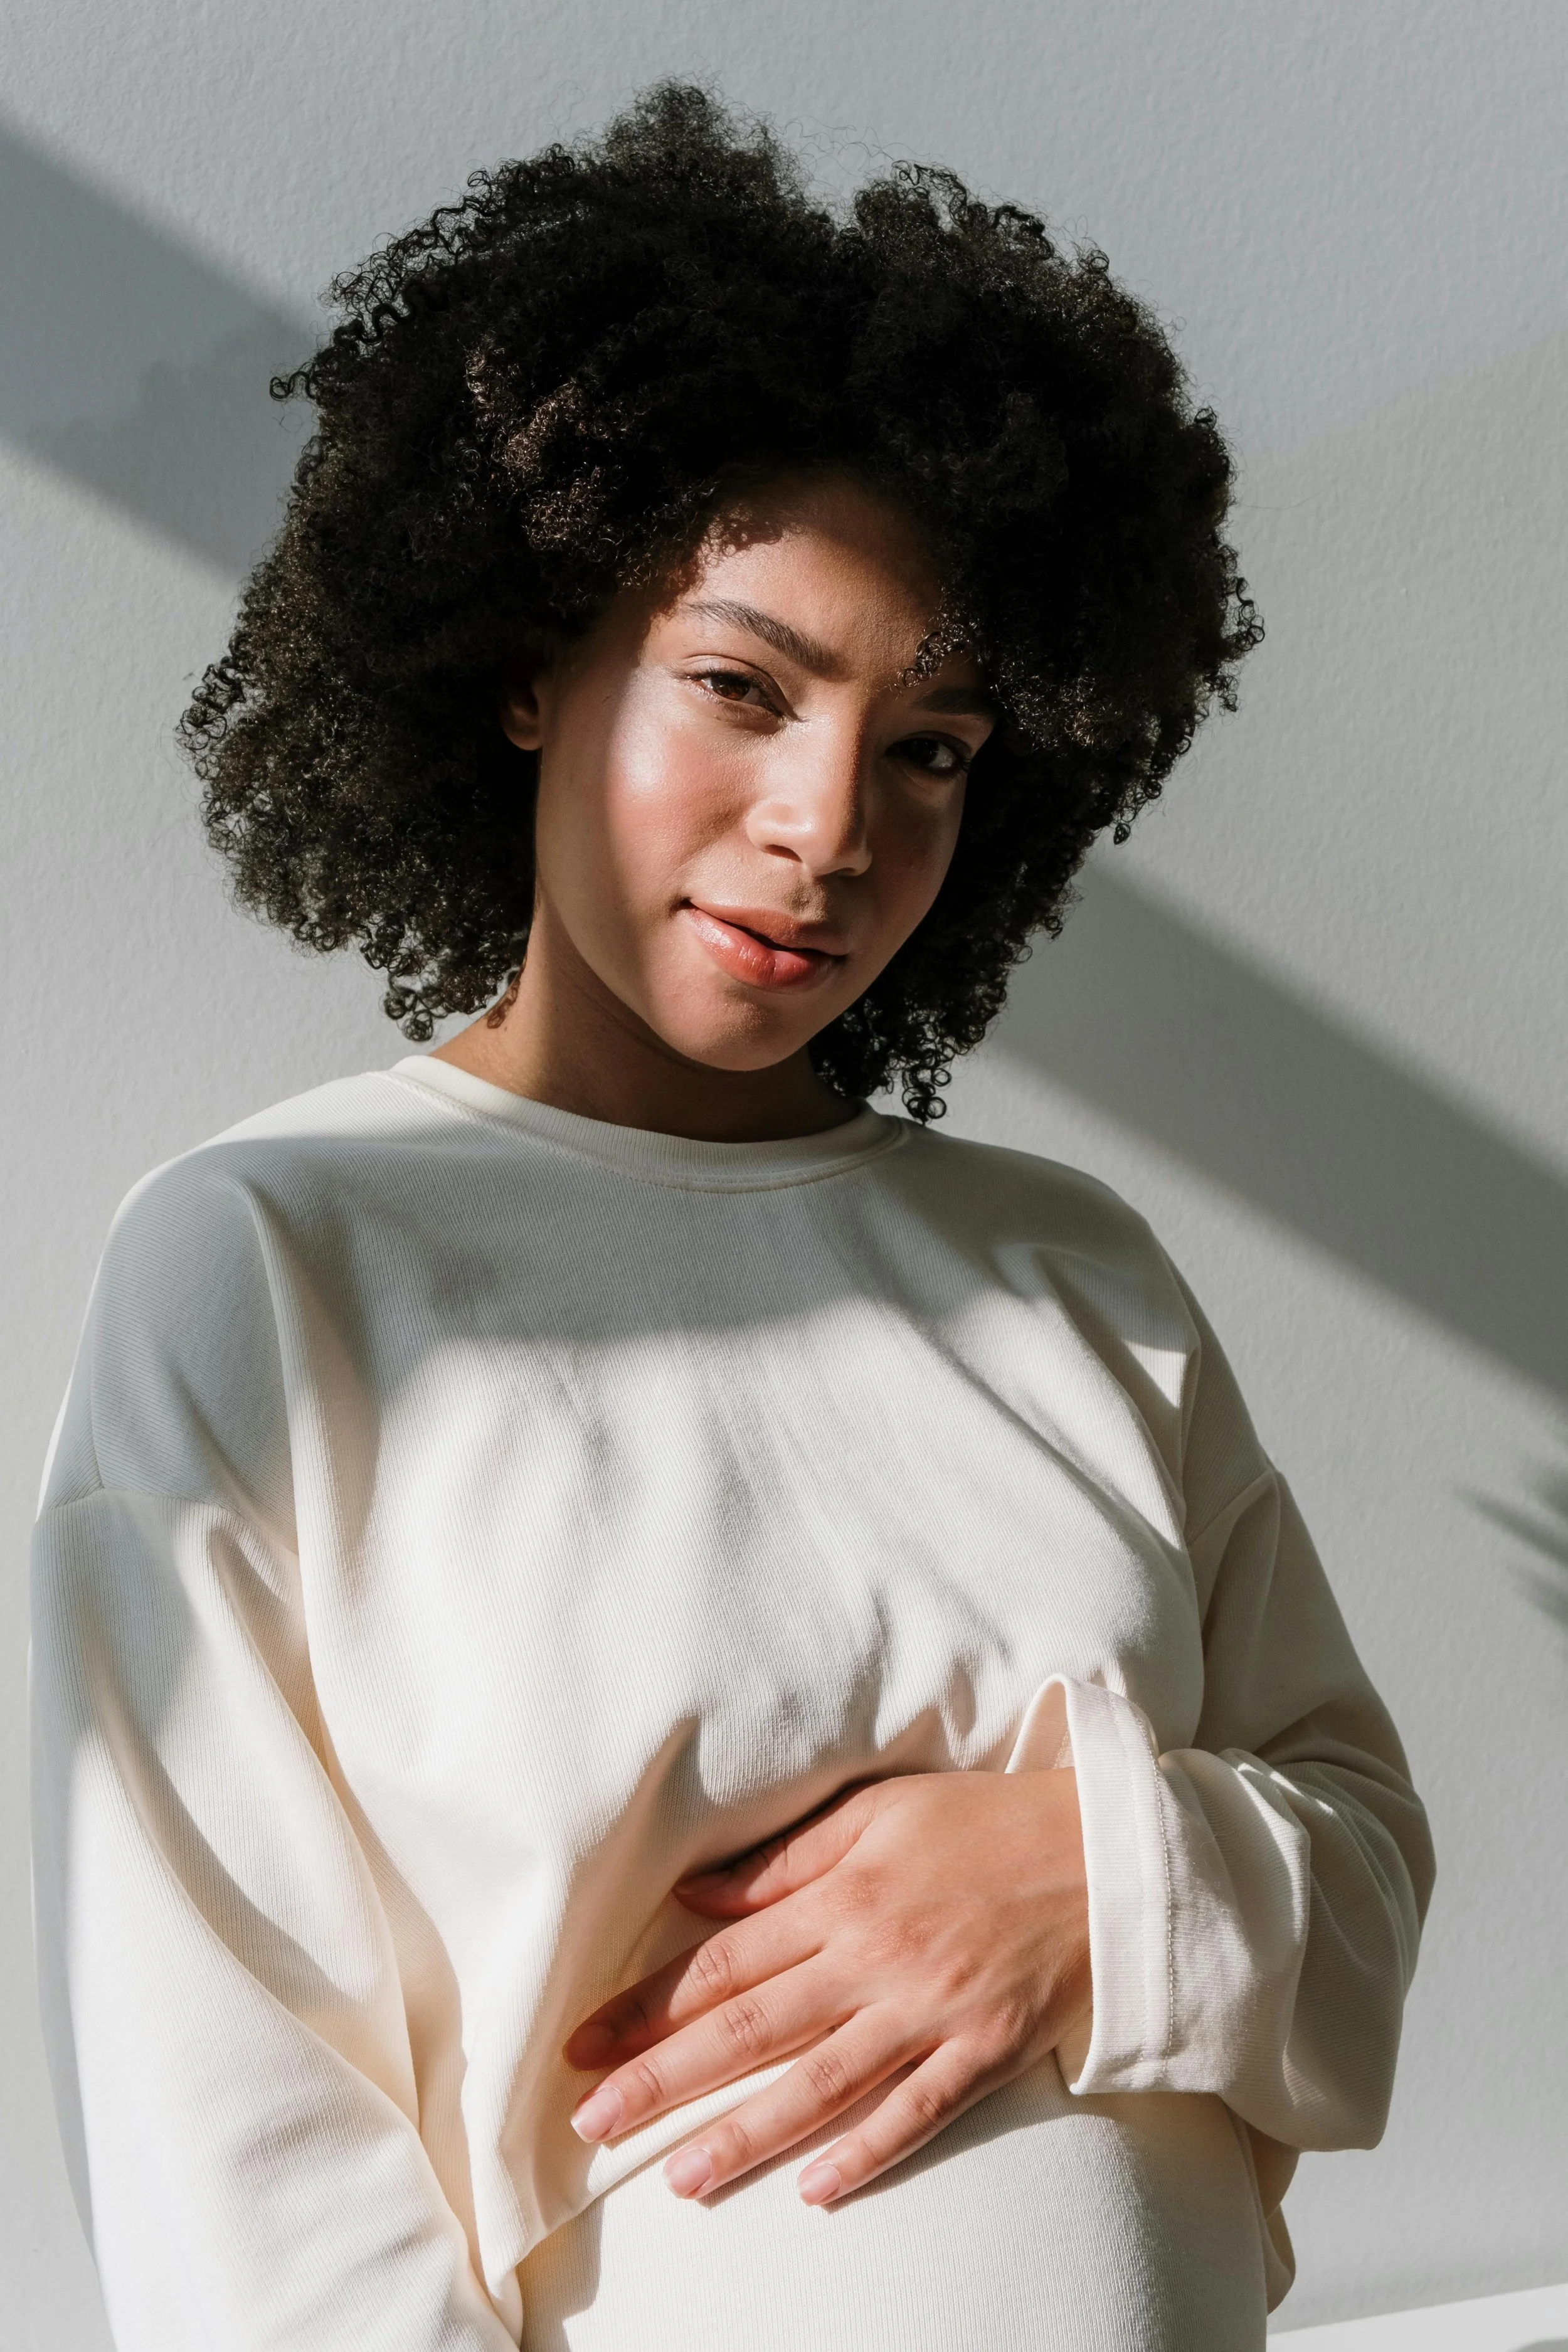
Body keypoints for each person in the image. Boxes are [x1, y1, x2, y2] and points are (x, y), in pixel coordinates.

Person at [29, 83, 1433, 2352]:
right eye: (738, 684)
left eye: (933, 744)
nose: (827, 826)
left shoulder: (1065, 1265)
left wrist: (1085, 1864)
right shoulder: (276, 1260)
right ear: (524, 659)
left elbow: (1360, 1857)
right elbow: (237, 2124)